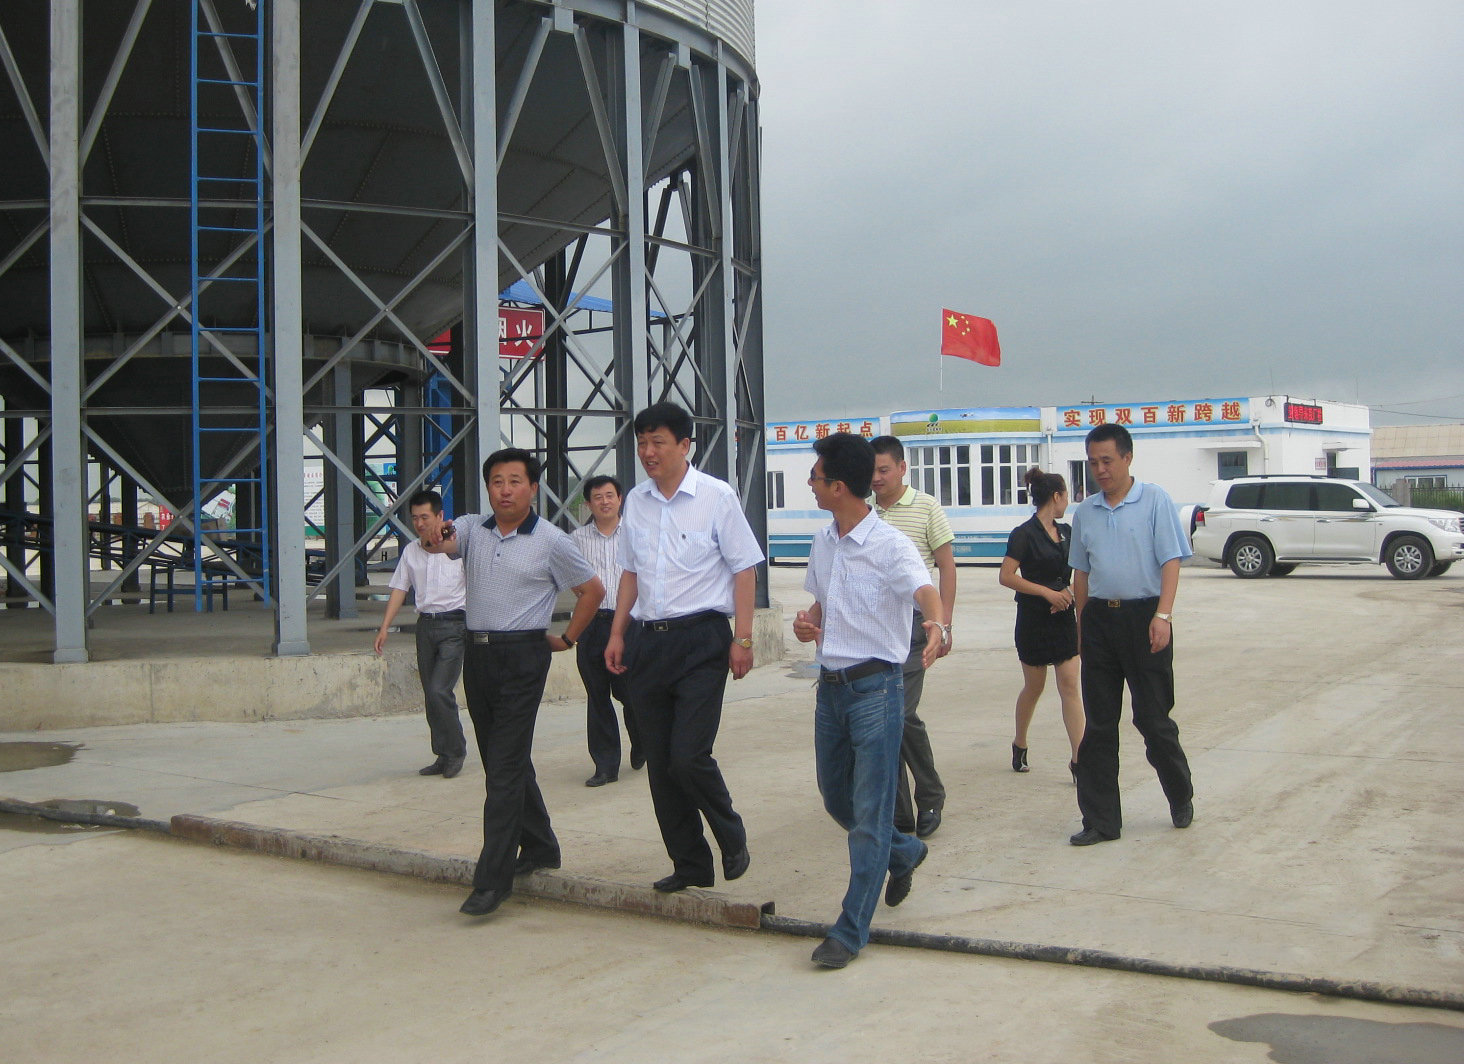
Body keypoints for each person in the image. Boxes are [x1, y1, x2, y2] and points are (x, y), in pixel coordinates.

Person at [425, 448, 605, 916]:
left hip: (523, 656)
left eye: (515, 481)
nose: (505, 490)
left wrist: (568, 638)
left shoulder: (552, 541)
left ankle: (492, 880)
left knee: (503, 769)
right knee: (503, 760)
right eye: (497, 482)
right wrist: (435, 533)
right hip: (478, 655)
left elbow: (592, 591)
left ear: (532, 488)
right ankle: (541, 845)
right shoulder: (472, 528)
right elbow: (441, 542)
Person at [795, 433, 945, 969]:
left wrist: (937, 622)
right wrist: (808, 622)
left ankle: (850, 929)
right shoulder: (823, 541)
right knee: (837, 799)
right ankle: (905, 852)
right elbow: (822, 602)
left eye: (816, 477)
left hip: (876, 691)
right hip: (831, 690)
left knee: (870, 814)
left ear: (838, 486)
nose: (810, 484)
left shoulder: (890, 545)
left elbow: (924, 590)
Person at [605, 402, 764, 893]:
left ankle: (730, 831)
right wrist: (617, 632)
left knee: (688, 756)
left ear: (684, 445)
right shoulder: (636, 500)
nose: (648, 452)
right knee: (660, 763)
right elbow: (630, 572)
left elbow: (744, 569)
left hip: (702, 640)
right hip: (648, 642)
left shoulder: (717, 497)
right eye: (642, 443)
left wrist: (742, 638)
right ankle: (690, 863)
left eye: (658, 442)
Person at [1066, 423, 1194, 846]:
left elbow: (1171, 561)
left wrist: (1163, 615)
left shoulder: (1154, 500)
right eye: (1093, 463)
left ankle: (1180, 794)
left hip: (1145, 619)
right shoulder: (1085, 512)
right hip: (1100, 621)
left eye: (1107, 461)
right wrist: (1082, 627)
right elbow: (1081, 573)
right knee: (1099, 726)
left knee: (1153, 720)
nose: (1100, 470)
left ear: (1127, 458)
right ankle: (1101, 820)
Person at [869, 435, 954, 839]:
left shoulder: (926, 507)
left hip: (916, 626)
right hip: (874, 630)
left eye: (884, 470)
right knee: (885, 719)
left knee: (900, 714)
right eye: (871, 471)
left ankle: (930, 794)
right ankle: (900, 810)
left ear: (902, 468)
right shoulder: (864, 512)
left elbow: (946, 567)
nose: (877, 478)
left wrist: (943, 623)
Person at [373, 489, 468, 779]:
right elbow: (399, 589)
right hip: (425, 627)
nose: (419, 523)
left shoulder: (458, 549)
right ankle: (442, 753)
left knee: (440, 689)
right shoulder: (411, 551)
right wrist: (384, 627)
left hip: (455, 625)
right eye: (415, 518)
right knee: (430, 693)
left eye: (425, 517)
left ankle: (456, 751)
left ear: (440, 516)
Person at [999, 468, 1084, 778]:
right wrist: (1047, 593)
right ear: (1056, 496)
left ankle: (1079, 760)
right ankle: (1020, 742)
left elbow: (1082, 570)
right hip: (1034, 619)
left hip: (1063, 617)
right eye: (1066, 496)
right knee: (1034, 687)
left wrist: (1067, 593)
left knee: (1070, 686)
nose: (1067, 502)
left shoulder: (1068, 532)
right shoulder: (1023, 534)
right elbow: (1006, 576)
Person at [569, 475, 641, 787]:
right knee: (597, 695)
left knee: (631, 692)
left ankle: (642, 739)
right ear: (588, 504)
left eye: (610, 495)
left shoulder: (636, 533)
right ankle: (605, 765)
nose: (604, 502)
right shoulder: (577, 539)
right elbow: (571, 577)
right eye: (597, 497)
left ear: (620, 499)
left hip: (629, 624)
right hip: (593, 623)